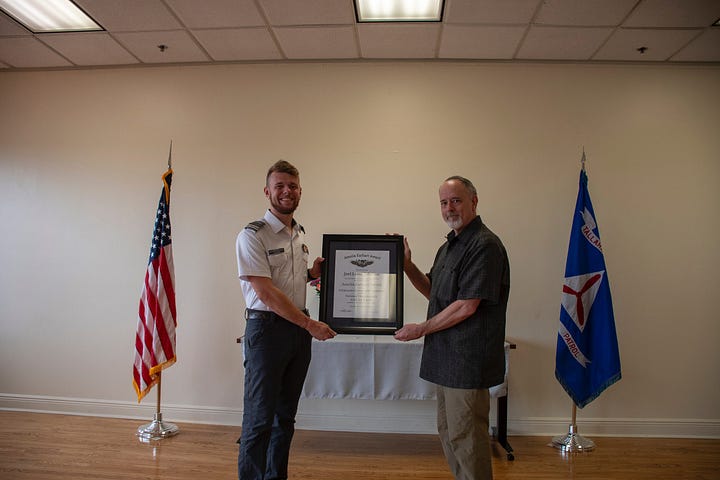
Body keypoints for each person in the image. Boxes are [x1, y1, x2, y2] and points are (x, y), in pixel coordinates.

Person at [394, 175, 510, 480]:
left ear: (474, 201)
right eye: (444, 202)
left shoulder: (484, 245)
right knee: (450, 434)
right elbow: (435, 292)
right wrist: (407, 265)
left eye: (456, 200)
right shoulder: (449, 247)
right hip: (446, 360)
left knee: (467, 439)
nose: (449, 208)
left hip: (467, 362)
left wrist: (420, 329)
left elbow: (466, 305)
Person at [235, 160, 336, 480]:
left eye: (292, 186)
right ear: (267, 191)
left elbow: (285, 283)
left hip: (295, 331)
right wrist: (310, 324)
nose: (286, 191)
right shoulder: (253, 236)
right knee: (259, 418)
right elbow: (265, 292)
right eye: (279, 186)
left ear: (300, 191)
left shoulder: (299, 233)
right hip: (267, 330)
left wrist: (311, 275)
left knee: (285, 418)